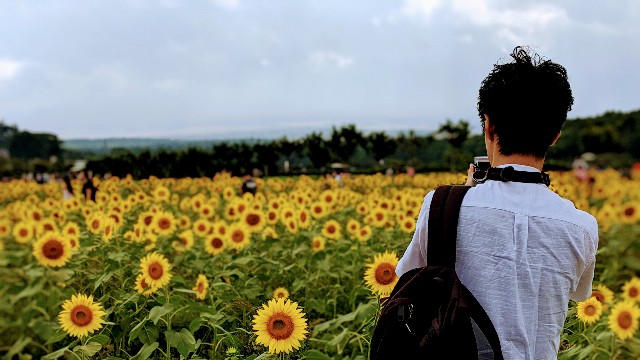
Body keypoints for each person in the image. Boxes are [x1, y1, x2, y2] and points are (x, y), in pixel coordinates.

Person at [396, 46, 598, 359]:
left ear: (488, 126)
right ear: (556, 135)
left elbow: (405, 283)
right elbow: (578, 293)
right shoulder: (581, 228)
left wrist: (457, 201)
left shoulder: (439, 205)